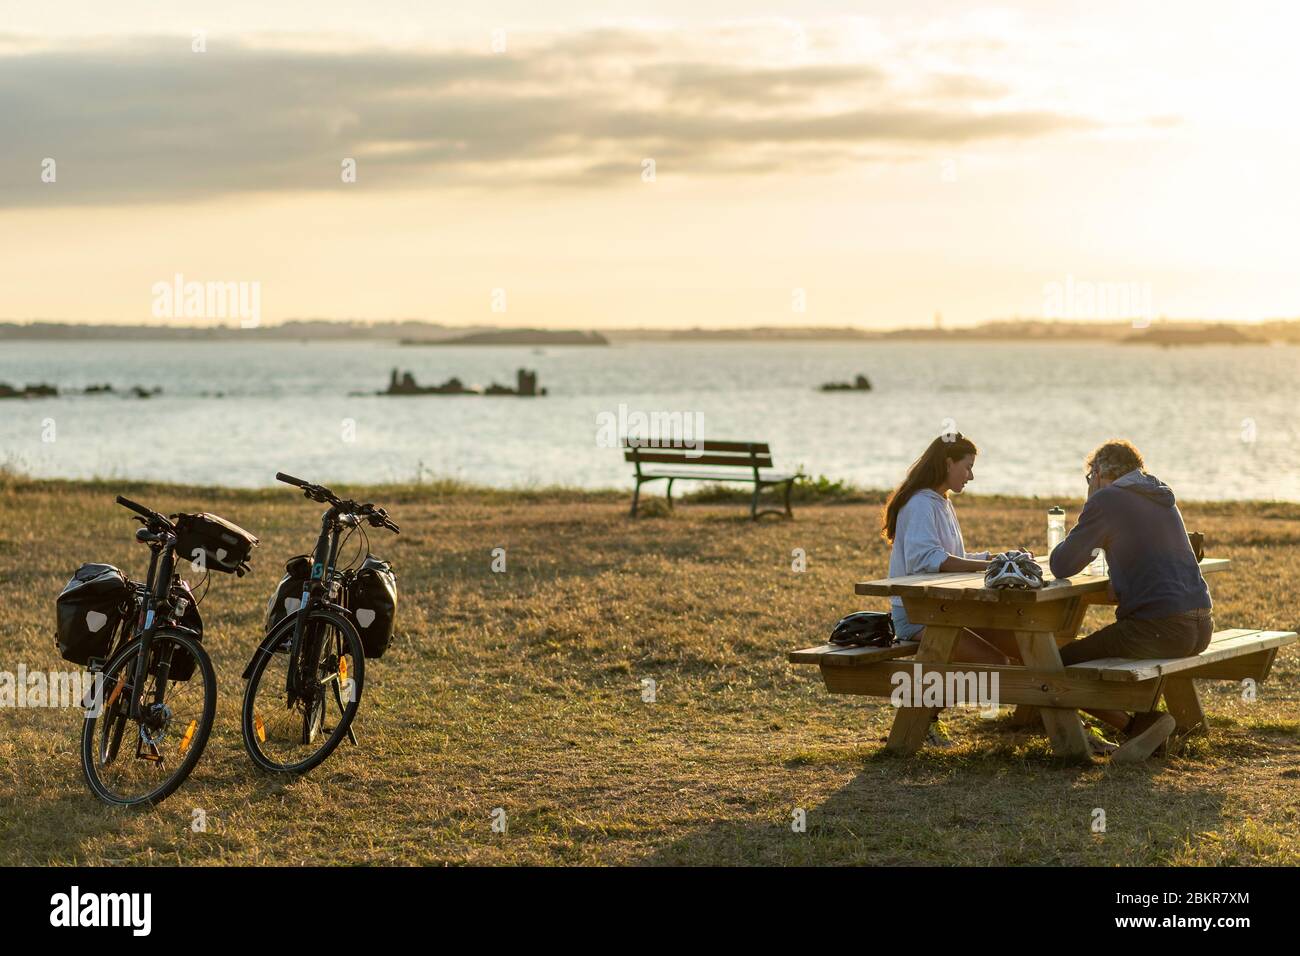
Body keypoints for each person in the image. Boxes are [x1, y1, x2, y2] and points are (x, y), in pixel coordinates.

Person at [1050, 439, 1213, 761]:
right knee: (1086, 652)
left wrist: (1091, 500)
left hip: (1159, 629)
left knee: (1055, 665)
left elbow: (1062, 564)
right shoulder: (1160, 495)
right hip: (1200, 625)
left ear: (1097, 473)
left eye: (1089, 478)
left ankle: (1140, 724)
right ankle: (1138, 724)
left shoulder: (1107, 499)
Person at [880, 433, 1022, 669]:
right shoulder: (920, 504)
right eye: (968, 468)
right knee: (996, 661)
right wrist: (990, 567)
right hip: (918, 616)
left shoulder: (940, 501)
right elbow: (927, 560)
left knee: (1019, 645)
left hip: (946, 609)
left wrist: (997, 558)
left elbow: (952, 557)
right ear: (948, 463)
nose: (971, 476)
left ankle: (1031, 704)